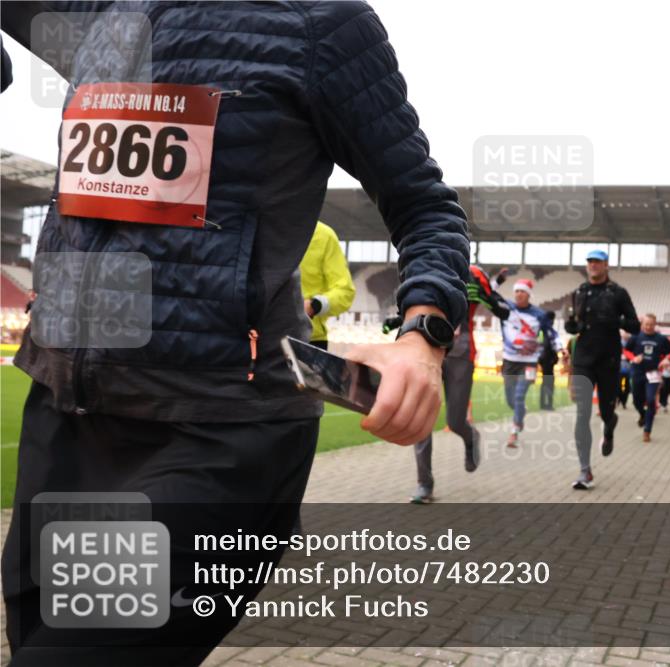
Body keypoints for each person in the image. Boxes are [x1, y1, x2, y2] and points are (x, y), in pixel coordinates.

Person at [1, 5, 469, 664]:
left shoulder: (322, 25)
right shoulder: (103, 10)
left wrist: (423, 333)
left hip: (214, 437)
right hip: (65, 418)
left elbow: (425, 206)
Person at [410, 265, 509, 503]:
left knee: (455, 421)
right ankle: (425, 483)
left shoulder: (475, 274)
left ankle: (470, 437)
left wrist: (488, 300)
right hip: (427, 347)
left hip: (461, 351)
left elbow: (503, 310)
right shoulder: (424, 263)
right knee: (422, 418)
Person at [565, 249, 640, 489]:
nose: (593, 266)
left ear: (606, 265)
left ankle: (609, 427)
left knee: (607, 412)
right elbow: (573, 325)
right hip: (583, 360)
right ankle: (584, 471)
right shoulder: (580, 292)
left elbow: (635, 326)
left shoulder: (618, 293)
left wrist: (617, 321)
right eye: (590, 262)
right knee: (582, 414)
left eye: (597, 262)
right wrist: (571, 325)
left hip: (608, 361)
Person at [499, 279, 561, 448]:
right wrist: (496, 282)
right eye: (517, 291)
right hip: (509, 361)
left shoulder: (539, 314)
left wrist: (561, 348)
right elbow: (489, 297)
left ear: (529, 294)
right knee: (511, 400)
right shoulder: (506, 309)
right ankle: (521, 413)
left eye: (523, 291)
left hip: (530, 363)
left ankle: (515, 430)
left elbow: (551, 333)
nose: (519, 294)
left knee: (519, 396)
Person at [299, 221, 355, 350]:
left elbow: (345, 292)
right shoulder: (262, 229)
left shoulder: (324, 235)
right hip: (260, 336)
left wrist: (314, 305)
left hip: (310, 339)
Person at [624, 314, 670, 442]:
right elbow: (625, 350)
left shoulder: (661, 339)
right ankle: (642, 414)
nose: (648, 327)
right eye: (646, 324)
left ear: (655, 324)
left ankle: (647, 430)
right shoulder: (636, 336)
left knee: (651, 400)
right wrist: (633, 358)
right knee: (636, 401)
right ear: (642, 324)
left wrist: (668, 359)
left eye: (651, 324)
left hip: (653, 373)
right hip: (637, 372)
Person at [537, 310, 559, 411]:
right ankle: (547, 404)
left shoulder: (542, 330)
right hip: (547, 358)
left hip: (545, 358)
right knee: (549, 382)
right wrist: (553, 357)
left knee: (546, 382)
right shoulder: (547, 331)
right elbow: (547, 345)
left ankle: (544, 403)